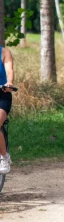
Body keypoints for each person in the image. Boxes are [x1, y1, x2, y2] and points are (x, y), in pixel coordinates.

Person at [0, 47, 15, 175]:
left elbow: (9, 70)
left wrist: (9, 83)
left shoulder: (4, 52)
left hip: (2, 95)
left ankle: (4, 157)